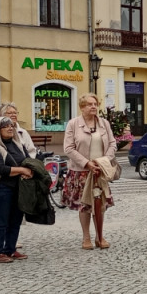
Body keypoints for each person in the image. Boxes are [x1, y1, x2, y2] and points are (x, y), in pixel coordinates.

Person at [63, 93, 117, 250]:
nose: (93, 106)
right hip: (82, 171)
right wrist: (86, 163)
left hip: (101, 170)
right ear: (82, 107)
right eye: (89, 104)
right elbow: (68, 148)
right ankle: (86, 237)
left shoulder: (104, 123)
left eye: (95, 104)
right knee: (85, 204)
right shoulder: (73, 124)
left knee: (100, 204)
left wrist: (105, 160)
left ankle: (100, 236)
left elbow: (113, 143)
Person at [0, 117, 34, 263]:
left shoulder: (18, 144)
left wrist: (30, 170)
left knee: (15, 220)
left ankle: (10, 249)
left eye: (11, 125)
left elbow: (27, 160)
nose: (10, 128)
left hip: (18, 187)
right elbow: (0, 169)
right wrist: (21, 170)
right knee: (0, 220)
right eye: (5, 126)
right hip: (2, 188)